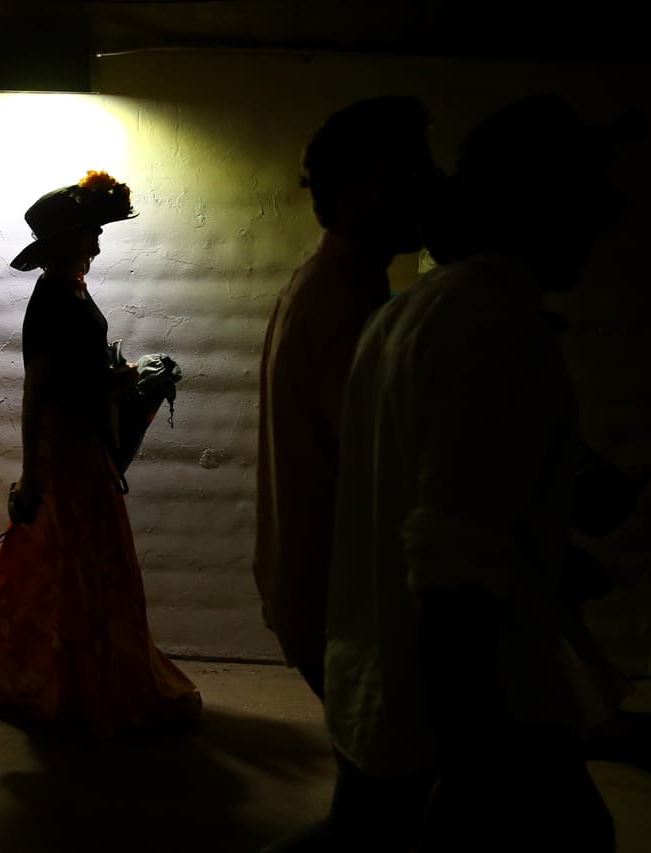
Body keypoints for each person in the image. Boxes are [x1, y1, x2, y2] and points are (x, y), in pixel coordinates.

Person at [320, 95, 638, 851]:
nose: (602, 221)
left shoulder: (404, 315)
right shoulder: (501, 331)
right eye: (587, 196)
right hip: (480, 719)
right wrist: (466, 768)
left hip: (380, 695)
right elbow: (451, 571)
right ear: (543, 205)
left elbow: (417, 509)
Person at [0, 171, 201, 736]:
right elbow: (38, 391)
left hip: (83, 443)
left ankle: (76, 672)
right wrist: (32, 475)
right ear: (66, 240)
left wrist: (123, 377)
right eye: (91, 233)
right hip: (64, 450)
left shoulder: (74, 289)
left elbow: (80, 374)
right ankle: (74, 681)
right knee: (79, 564)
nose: (98, 243)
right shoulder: (50, 300)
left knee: (73, 562)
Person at [253, 96, 436, 701]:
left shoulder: (331, 283)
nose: (425, 187)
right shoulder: (346, 303)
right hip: (347, 597)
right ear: (355, 190)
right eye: (408, 171)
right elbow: (389, 465)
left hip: (317, 586)